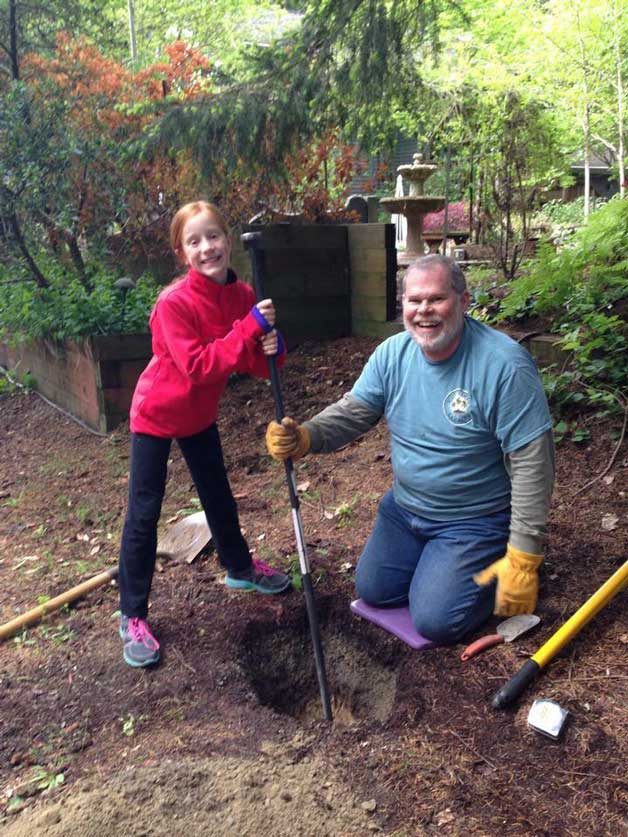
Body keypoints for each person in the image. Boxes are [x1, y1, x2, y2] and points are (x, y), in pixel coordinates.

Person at [266, 255, 554, 644]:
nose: (424, 311)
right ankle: (438, 567)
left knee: (436, 620)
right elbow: (353, 413)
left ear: (464, 300)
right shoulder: (392, 355)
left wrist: (524, 553)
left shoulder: (503, 365)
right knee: (374, 589)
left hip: (473, 520)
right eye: (414, 300)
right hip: (406, 510)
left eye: (436, 299)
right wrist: (305, 436)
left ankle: (494, 563)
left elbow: (532, 463)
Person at [118, 200, 291, 668]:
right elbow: (198, 366)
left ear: (227, 240)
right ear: (181, 252)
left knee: (218, 495)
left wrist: (272, 348)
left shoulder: (243, 296)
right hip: (156, 412)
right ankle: (132, 615)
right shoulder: (173, 303)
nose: (206, 247)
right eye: (193, 241)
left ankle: (239, 568)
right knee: (144, 512)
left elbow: (251, 362)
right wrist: (249, 329)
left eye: (212, 236)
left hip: (199, 415)